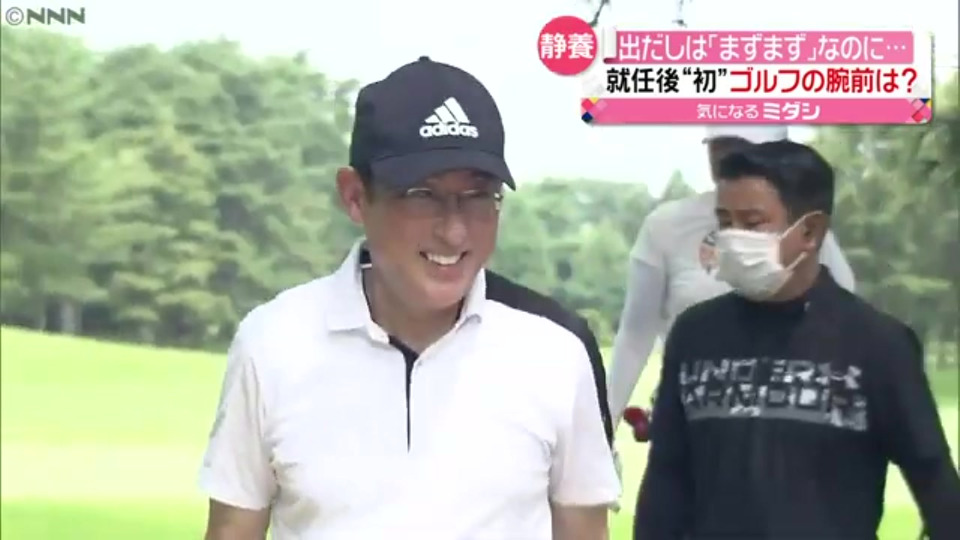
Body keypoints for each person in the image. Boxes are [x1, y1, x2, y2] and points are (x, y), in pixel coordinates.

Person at [197, 56, 620, 540]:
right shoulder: (273, 343)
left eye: (478, 196)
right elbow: (232, 531)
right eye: (422, 194)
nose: (454, 231)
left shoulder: (555, 354)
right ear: (355, 196)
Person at [633, 140, 960, 539]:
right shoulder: (695, 335)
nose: (732, 238)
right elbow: (666, 476)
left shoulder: (877, 344)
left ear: (810, 231)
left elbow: (933, 479)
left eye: (753, 223)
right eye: (725, 222)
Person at [606, 125, 857, 437]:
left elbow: (843, 322)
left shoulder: (804, 229)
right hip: (693, 419)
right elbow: (635, 335)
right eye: (718, 145)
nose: (725, 156)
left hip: (789, 420)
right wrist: (604, 425)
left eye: (740, 146)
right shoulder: (667, 226)